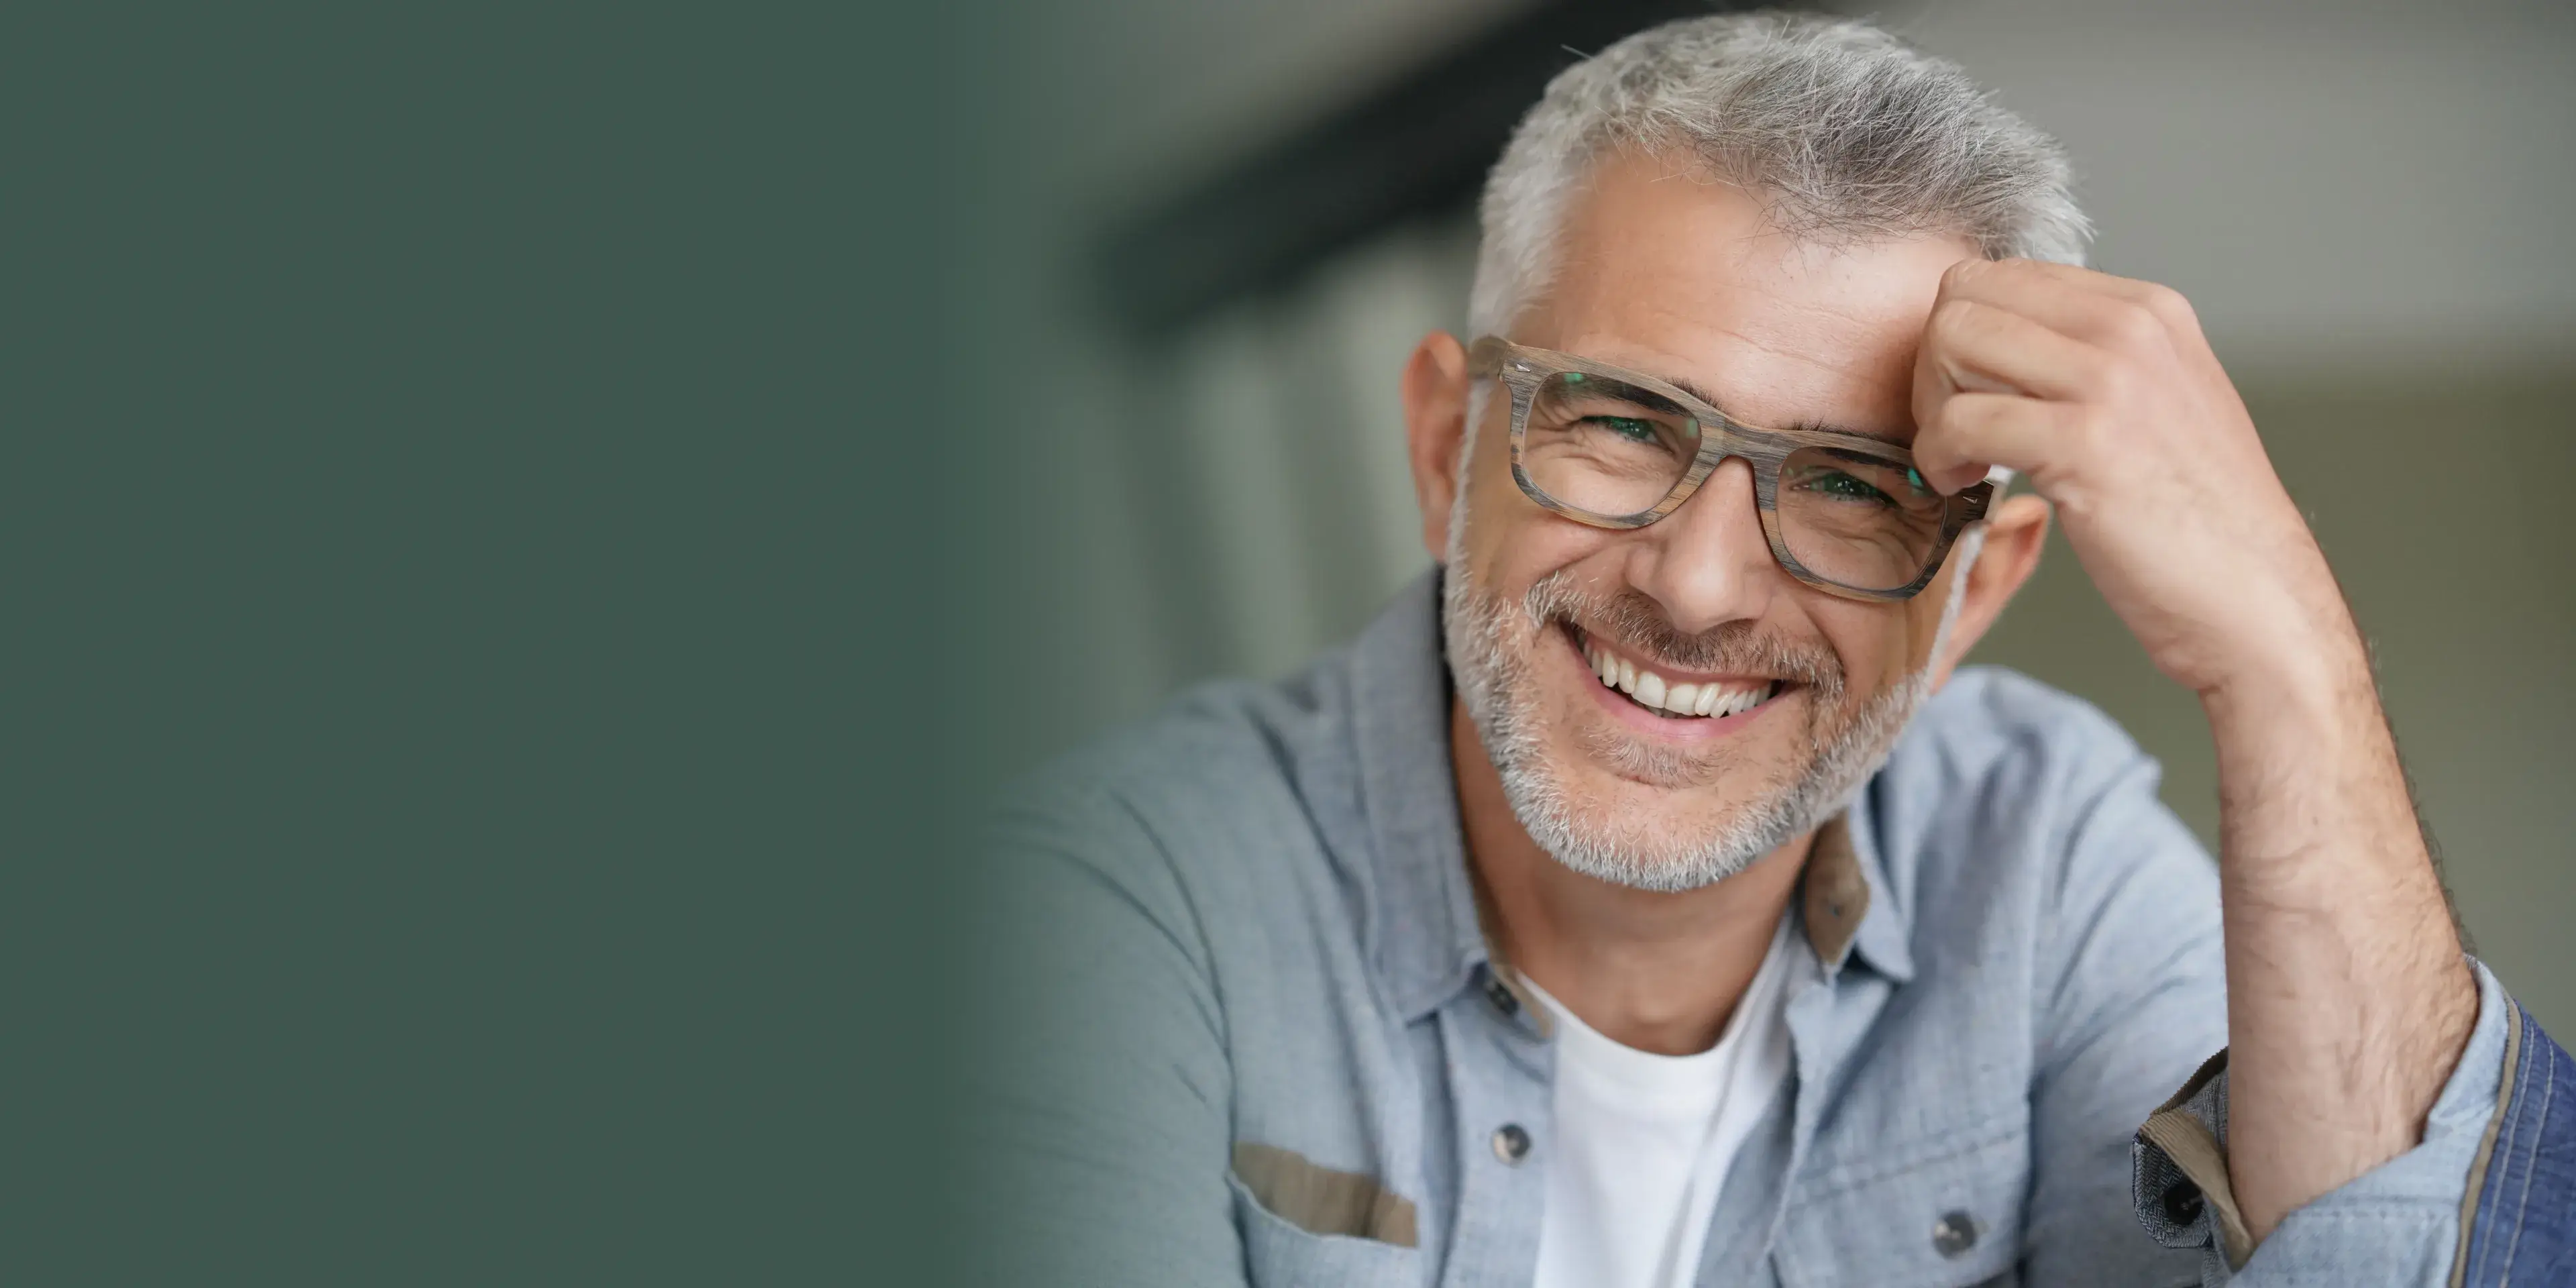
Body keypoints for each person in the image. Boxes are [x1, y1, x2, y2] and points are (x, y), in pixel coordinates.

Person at [973, 13, 2573, 1287]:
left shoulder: (2047, 856)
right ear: (1444, 442)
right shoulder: (1110, 910)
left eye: (1857, 490)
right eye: (1616, 425)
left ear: (1980, 589)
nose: (1702, 582)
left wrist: (2287, 660)